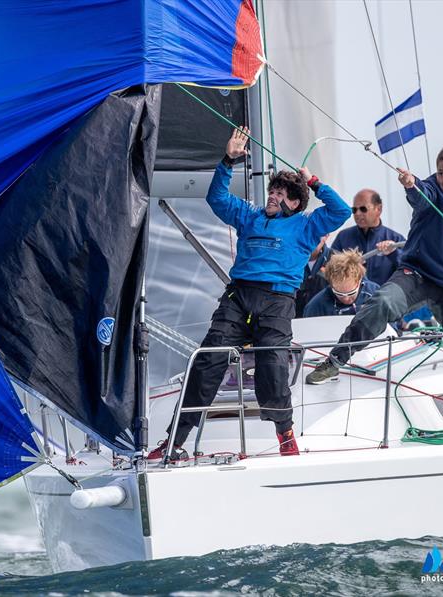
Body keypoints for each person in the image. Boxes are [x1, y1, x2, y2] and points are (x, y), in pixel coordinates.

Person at [148, 127, 350, 460]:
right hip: (239, 296)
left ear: (296, 203)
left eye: (283, 193)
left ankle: (285, 434)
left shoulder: (306, 224)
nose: (274, 196)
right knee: (207, 361)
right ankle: (176, 441)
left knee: (272, 366)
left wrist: (313, 181)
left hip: (277, 301)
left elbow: (340, 211)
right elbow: (216, 198)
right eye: (273, 190)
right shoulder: (249, 216)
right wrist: (227, 159)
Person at [305, 145, 443, 441]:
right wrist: (411, 184)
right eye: (441, 173)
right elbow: (420, 195)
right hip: (417, 275)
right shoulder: (430, 190)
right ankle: (335, 361)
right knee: (381, 301)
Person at [331, 189, 405, 286]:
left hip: (384, 299)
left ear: (378, 209)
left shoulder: (396, 239)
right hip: (352, 299)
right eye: (354, 210)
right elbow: (330, 269)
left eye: (363, 209)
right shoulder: (343, 237)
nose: (357, 213)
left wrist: (393, 253)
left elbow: (410, 270)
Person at [304, 249, 379, 317]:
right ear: (331, 285)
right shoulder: (316, 306)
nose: (346, 299)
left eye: (351, 293)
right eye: (339, 294)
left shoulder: (376, 293)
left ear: (359, 281)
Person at [294, 234, 331, 317]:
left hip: (326, 322)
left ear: (326, 236)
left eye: (314, 234)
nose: (308, 242)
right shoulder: (287, 261)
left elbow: (363, 287)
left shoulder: (340, 262)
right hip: (292, 321)